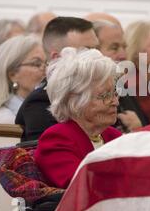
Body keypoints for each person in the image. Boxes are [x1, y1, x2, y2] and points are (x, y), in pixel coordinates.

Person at [34, 47, 122, 189]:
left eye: (114, 93)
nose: (115, 102)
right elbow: (82, 185)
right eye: (105, 95)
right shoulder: (56, 139)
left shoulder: (113, 135)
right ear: (74, 100)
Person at [15, 16, 99, 141]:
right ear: (57, 58)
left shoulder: (99, 94)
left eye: (97, 50)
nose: (97, 57)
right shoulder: (41, 102)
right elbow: (50, 154)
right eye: (86, 52)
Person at [0, 35, 46, 123]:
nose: (46, 70)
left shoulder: (34, 108)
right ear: (12, 74)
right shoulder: (5, 118)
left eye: (46, 63)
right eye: (37, 64)